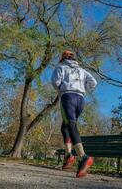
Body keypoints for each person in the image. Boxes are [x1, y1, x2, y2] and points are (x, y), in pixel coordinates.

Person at [51, 50, 97, 178]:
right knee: (65, 127)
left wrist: (62, 88)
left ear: (63, 58)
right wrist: (82, 88)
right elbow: (94, 82)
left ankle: (83, 157)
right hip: (81, 99)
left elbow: (55, 82)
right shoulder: (82, 71)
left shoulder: (61, 67)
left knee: (70, 126)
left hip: (68, 97)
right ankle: (69, 156)